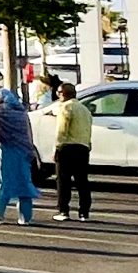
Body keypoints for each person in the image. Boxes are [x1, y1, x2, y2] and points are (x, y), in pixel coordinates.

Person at [0, 86, 40, 225]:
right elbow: (28, 133)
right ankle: (25, 217)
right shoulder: (22, 113)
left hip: (4, 150)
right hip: (22, 151)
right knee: (24, 183)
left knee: (1, 183)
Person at [47, 78, 96, 222]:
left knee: (63, 180)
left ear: (62, 94)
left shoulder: (66, 108)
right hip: (83, 147)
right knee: (82, 181)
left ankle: (63, 210)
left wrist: (57, 147)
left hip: (67, 147)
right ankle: (84, 212)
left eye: (58, 93)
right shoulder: (85, 110)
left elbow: (62, 129)